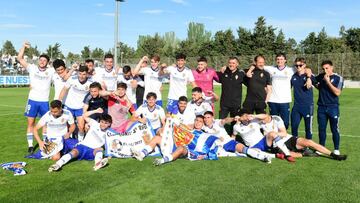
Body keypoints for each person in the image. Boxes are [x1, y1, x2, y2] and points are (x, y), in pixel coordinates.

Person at [131, 115, 217, 166]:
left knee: (181, 148)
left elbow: (212, 146)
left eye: (200, 122)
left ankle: (163, 160)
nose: (198, 123)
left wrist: (205, 156)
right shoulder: (188, 128)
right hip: (173, 145)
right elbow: (177, 126)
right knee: (157, 138)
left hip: (185, 150)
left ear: (203, 124)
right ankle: (141, 155)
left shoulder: (204, 134)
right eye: (196, 120)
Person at [258, 112, 347, 160]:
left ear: (267, 115)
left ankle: (333, 155)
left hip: (288, 138)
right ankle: (304, 153)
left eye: (263, 118)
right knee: (288, 154)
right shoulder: (258, 124)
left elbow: (284, 133)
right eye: (260, 118)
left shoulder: (276, 118)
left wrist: (273, 133)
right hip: (276, 144)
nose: (261, 120)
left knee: (309, 142)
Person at [17, 41, 55, 154]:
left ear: (48, 63)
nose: (42, 62)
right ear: (39, 61)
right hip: (32, 101)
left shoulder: (51, 71)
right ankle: (30, 146)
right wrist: (23, 46)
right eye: (41, 60)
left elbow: (62, 72)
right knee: (30, 123)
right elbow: (19, 58)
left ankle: (45, 144)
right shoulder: (32, 68)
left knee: (45, 124)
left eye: (45, 60)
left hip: (44, 102)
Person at [48, 108, 113, 172]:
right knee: (73, 152)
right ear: (100, 121)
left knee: (100, 149)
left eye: (106, 123)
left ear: (109, 124)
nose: (103, 124)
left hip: (93, 151)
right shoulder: (94, 123)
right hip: (83, 146)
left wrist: (110, 154)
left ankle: (98, 163)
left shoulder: (110, 133)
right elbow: (84, 115)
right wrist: (95, 111)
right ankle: (58, 164)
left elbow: (113, 144)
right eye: (102, 122)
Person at [203, 111, 275, 163]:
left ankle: (263, 157)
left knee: (244, 149)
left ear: (212, 118)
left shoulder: (217, 122)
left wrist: (233, 118)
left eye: (208, 117)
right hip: (217, 146)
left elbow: (225, 120)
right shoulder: (203, 127)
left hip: (228, 142)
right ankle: (272, 155)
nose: (206, 119)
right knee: (237, 154)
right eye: (205, 118)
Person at [246, 53, 296, 129]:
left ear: (285, 60)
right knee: (273, 122)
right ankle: (273, 138)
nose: (280, 61)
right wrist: (250, 70)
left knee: (285, 122)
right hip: (272, 100)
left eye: (282, 59)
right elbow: (256, 64)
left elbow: (305, 68)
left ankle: (282, 137)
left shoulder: (291, 69)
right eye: (278, 59)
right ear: (276, 60)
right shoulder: (271, 68)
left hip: (285, 101)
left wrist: (309, 77)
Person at [314, 60, 344, 155]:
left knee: (334, 128)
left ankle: (336, 149)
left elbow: (337, 92)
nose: (325, 70)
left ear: (332, 67)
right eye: (323, 69)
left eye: (327, 68)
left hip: (333, 108)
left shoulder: (338, 78)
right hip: (321, 107)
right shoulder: (320, 76)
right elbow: (314, 81)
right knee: (321, 129)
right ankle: (321, 148)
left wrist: (327, 82)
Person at [59, 65, 92, 141]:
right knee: (67, 126)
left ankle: (80, 143)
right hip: (69, 106)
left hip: (80, 107)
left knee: (81, 127)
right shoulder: (72, 79)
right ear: (77, 73)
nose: (82, 76)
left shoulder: (90, 82)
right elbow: (64, 89)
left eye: (84, 74)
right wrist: (59, 101)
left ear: (87, 74)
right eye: (80, 74)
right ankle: (68, 141)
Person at [290, 57, 315, 139]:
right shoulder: (293, 76)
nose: (298, 67)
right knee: (294, 127)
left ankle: (307, 146)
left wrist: (309, 78)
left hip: (307, 106)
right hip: (296, 106)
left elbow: (319, 85)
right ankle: (294, 145)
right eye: (296, 66)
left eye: (300, 65)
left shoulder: (310, 75)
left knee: (308, 129)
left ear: (304, 65)